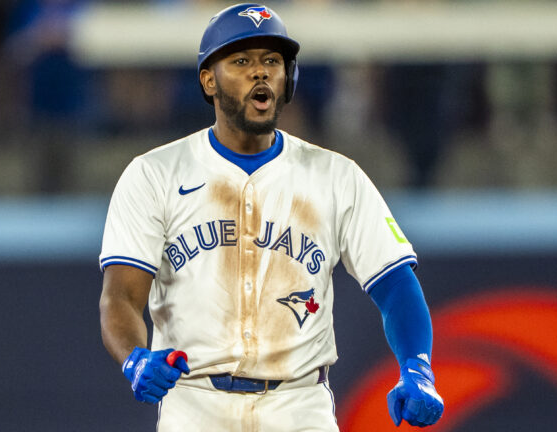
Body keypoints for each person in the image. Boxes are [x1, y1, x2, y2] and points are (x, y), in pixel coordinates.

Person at [98, 4, 444, 430]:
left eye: (272, 61)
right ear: (209, 79)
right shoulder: (155, 174)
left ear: (288, 79)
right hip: (196, 404)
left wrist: (418, 367)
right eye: (241, 60)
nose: (260, 72)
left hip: (299, 404)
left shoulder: (336, 176)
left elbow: (395, 285)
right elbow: (121, 296)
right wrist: (135, 358)